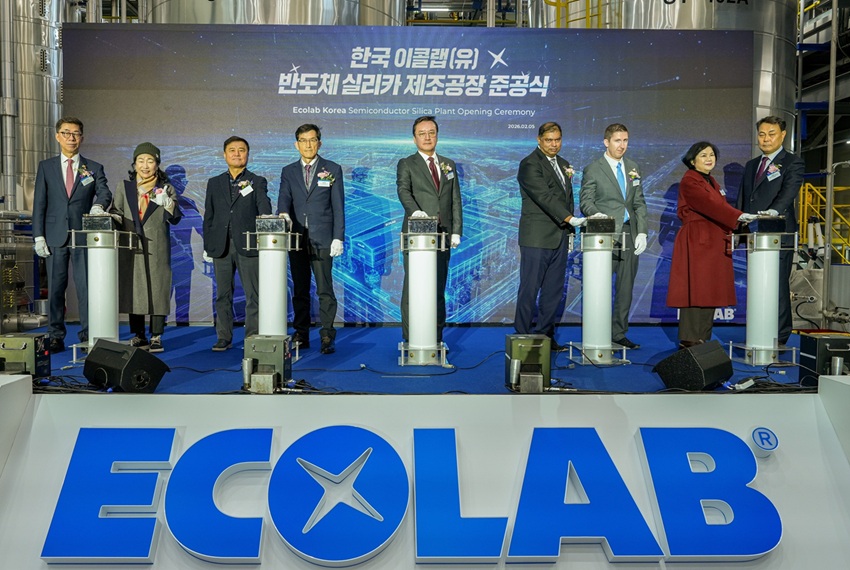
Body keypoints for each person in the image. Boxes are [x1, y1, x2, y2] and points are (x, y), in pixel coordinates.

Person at [32, 117, 112, 353]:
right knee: (56, 288)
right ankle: (55, 335)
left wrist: (99, 206)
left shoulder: (93, 167)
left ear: (82, 138)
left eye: (76, 133)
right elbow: (39, 204)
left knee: (87, 288)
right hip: (54, 236)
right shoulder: (46, 167)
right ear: (57, 136)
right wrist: (38, 236)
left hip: (83, 237)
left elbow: (104, 193)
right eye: (66, 133)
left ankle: (88, 335)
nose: (71, 138)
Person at [667, 142, 757, 348]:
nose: (709, 159)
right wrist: (738, 216)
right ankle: (690, 339)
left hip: (712, 239)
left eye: (711, 155)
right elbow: (711, 205)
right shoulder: (690, 180)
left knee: (708, 290)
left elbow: (717, 206)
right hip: (698, 240)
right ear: (692, 161)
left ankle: (702, 338)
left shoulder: (710, 180)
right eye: (703, 155)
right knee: (696, 290)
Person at [515, 122, 587, 351]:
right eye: (549, 140)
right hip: (536, 238)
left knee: (553, 291)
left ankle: (545, 336)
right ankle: (522, 338)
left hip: (560, 236)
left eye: (557, 140)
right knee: (530, 289)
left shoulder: (564, 164)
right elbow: (543, 197)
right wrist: (570, 219)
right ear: (539, 140)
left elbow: (567, 198)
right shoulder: (529, 164)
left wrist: (570, 231)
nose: (554, 144)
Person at [735, 116, 805, 346]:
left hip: (778, 232)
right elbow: (744, 197)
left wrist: (774, 211)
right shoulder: (752, 165)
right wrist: (737, 225)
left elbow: (789, 192)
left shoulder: (792, 162)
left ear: (783, 135)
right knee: (757, 284)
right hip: (754, 234)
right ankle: (758, 330)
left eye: (771, 134)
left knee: (777, 285)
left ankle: (780, 335)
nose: (765, 139)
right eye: (762, 134)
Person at [278, 124, 346, 354]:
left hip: (323, 238)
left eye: (312, 139)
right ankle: (301, 333)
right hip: (296, 237)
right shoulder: (288, 171)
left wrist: (338, 237)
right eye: (303, 140)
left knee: (325, 289)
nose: (308, 144)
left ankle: (327, 334)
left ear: (319, 143)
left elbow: (338, 206)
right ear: (296, 144)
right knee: (300, 289)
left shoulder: (332, 168)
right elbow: (284, 198)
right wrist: (283, 214)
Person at [579, 123, 648, 349]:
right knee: (599, 286)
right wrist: (595, 214)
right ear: (606, 142)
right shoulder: (593, 169)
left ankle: (618, 333)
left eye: (625, 140)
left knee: (626, 287)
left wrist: (642, 232)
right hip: (604, 234)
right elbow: (586, 201)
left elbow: (639, 202)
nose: (622, 145)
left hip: (630, 232)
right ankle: (597, 332)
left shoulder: (633, 167)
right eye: (618, 140)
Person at [110, 143, 182, 353]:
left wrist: (168, 203)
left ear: (157, 164)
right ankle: (138, 335)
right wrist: (110, 218)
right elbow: (116, 211)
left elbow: (175, 218)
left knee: (158, 290)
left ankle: (157, 335)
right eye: (141, 160)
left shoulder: (166, 188)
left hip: (157, 246)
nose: (145, 165)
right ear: (134, 164)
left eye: (150, 161)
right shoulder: (124, 187)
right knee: (135, 289)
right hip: (131, 246)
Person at [396, 116, 462, 343]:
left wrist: (456, 230)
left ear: (437, 135)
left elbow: (455, 199)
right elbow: (403, 191)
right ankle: (410, 339)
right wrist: (415, 212)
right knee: (413, 288)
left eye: (431, 132)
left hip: (442, 236)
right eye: (422, 133)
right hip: (417, 235)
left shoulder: (448, 164)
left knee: (438, 288)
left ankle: (435, 338)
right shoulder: (407, 163)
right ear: (414, 138)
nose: (427, 137)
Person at [202, 136, 272, 351]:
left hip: (249, 244)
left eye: (241, 150)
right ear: (224, 155)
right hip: (221, 245)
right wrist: (207, 245)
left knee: (253, 295)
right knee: (223, 295)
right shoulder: (214, 183)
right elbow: (209, 216)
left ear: (248, 154)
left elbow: (264, 207)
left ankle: (252, 337)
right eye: (232, 150)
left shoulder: (257, 181)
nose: (237, 154)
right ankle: (224, 336)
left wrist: (267, 219)